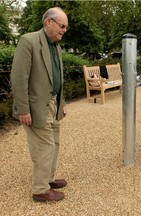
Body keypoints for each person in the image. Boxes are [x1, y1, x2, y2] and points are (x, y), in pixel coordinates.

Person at [10, 7, 69, 202]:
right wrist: (23, 109)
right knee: (44, 146)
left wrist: (61, 104)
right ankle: (40, 190)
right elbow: (19, 78)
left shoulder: (56, 46)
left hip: (53, 104)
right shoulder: (28, 41)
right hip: (36, 107)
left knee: (55, 143)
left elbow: (57, 77)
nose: (64, 30)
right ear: (48, 22)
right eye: (62, 26)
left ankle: (48, 179)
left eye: (66, 27)